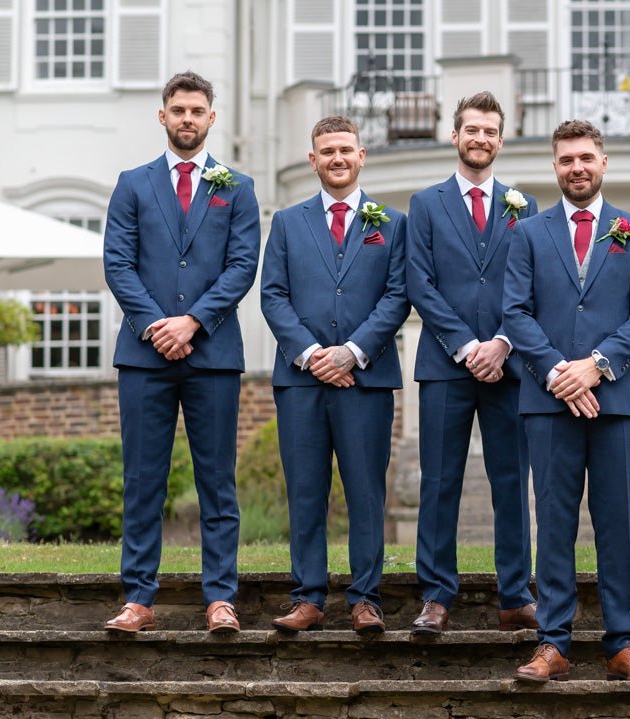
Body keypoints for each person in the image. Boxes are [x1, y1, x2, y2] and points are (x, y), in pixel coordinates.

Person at [503, 120, 630, 683]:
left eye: (586, 158)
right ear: (555, 166)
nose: (577, 168)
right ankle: (553, 642)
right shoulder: (528, 233)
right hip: (548, 403)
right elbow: (515, 312)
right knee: (553, 522)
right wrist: (557, 372)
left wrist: (595, 366)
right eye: (567, 159)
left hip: (614, 400)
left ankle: (623, 642)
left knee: (616, 522)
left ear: (603, 162)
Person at [102, 71, 260, 634]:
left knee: (217, 482)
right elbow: (117, 263)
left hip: (213, 355)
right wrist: (155, 326)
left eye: (197, 110)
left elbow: (242, 265)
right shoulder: (132, 184)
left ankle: (220, 598)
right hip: (144, 357)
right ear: (162, 115)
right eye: (178, 110)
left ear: (211, 117)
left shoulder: (237, 187)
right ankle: (138, 598)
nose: (187, 119)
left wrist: (192, 321)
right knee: (143, 479)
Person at [260, 115, 410, 635]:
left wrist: (351, 352)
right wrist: (311, 354)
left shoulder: (392, 223)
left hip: (366, 380)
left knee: (366, 492)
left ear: (361, 155)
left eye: (346, 149)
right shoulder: (287, 222)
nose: (337, 158)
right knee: (305, 491)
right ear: (313, 160)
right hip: (301, 382)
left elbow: (397, 296)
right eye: (327, 151)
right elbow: (272, 295)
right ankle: (308, 597)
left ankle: (365, 598)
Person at [405, 92, 538, 635]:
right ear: (455, 135)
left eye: (489, 131)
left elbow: (531, 285)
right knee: (439, 481)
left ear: (500, 140)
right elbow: (420, 283)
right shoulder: (425, 204)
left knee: (512, 483)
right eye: (472, 129)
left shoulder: (523, 207)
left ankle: (516, 595)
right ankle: (436, 595)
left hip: (510, 369)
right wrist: (466, 346)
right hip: (445, 365)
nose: (480, 138)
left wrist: (503, 342)